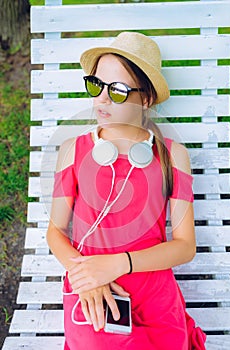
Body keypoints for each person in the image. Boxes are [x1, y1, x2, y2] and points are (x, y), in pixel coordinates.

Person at [46, 32, 206, 349]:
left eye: (117, 90)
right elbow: (55, 232)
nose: (102, 99)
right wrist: (83, 279)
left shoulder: (172, 155)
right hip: (95, 293)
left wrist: (120, 263)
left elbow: (186, 246)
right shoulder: (72, 150)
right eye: (96, 85)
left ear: (145, 99)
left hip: (155, 294)